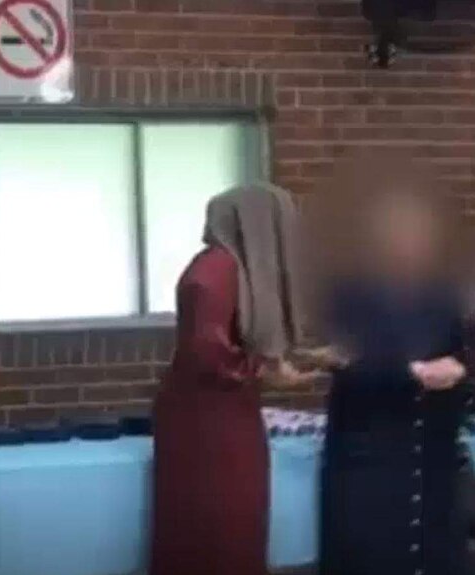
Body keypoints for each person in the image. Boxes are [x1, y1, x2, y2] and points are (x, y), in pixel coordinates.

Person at [151, 183, 318, 575]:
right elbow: (208, 354)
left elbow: (235, 340)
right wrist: (269, 371)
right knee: (220, 526)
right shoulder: (214, 272)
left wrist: (295, 358)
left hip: (224, 413)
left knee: (235, 521)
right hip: (206, 424)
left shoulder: (228, 267)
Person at [312, 172, 472, 575]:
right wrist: (412, 371)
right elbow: (342, 359)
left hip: (433, 456)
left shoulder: (444, 296)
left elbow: (460, 355)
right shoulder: (347, 296)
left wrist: (461, 369)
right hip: (369, 459)